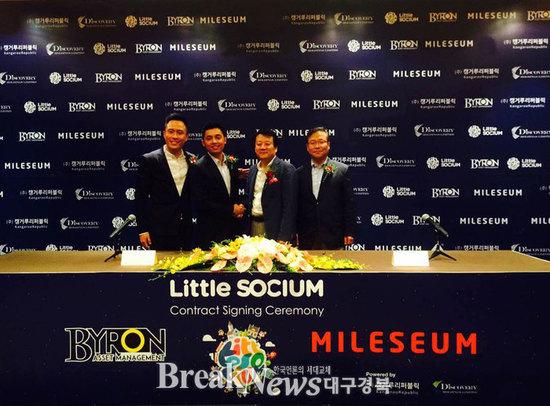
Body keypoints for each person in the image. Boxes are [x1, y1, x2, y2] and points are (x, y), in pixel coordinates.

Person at [135, 113, 196, 250]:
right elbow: (140, 198)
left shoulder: (192, 159)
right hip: (159, 231)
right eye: (171, 131)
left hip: (186, 230)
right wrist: (143, 230)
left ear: (186, 137)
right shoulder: (149, 160)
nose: (175, 136)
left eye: (179, 132)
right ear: (164, 134)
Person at [297, 127, 356, 250]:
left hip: (334, 234)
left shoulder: (341, 170)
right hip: (306, 235)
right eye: (313, 143)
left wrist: (349, 231)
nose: (317, 146)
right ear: (307, 147)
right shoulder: (299, 173)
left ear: (328, 145)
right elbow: (296, 206)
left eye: (321, 142)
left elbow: (349, 205)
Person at [194, 124, 245, 249]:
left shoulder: (232, 162)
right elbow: (201, 203)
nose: (214, 141)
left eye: (218, 137)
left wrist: (240, 207)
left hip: (233, 230)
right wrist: (231, 210)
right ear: (203, 143)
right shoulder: (198, 167)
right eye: (209, 138)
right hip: (210, 232)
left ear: (225, 139)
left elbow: (233, 194)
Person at [246, 129, 297, 243]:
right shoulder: (253, 169)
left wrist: (284, 237)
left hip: (275, 230)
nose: (262, 147)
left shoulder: (286, 169)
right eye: (259, 144)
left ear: (276, 148)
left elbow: (290, 207)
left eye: (267, 144)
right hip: (253, 226)